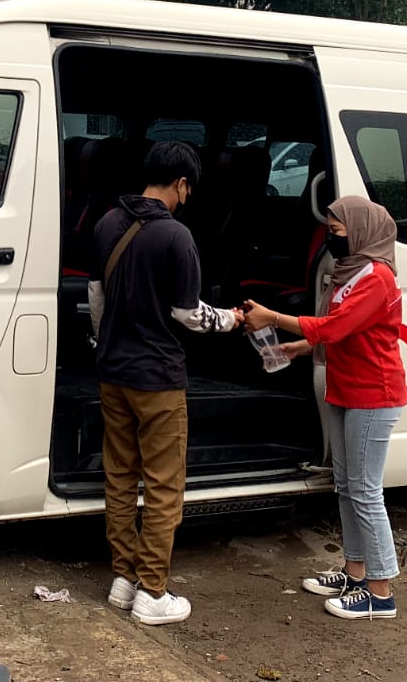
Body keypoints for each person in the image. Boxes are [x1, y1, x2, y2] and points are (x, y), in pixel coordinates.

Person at [88, 141, 242, 626]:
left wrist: (104, 344)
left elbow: (97, 298)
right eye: (187, 190)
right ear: (180, 183)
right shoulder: (177, 236)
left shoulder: (106, 223)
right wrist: (231, 320)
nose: (186, 198)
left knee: (119, 479)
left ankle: (123, 580)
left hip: (113, 375)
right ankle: (153, 592)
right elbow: (189, 314)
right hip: (158, 379)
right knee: (162, 487)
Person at [241, 195, 406, 620]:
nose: (332, 241)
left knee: (366, 491)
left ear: (362, 231)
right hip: (345, 387)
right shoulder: (350, 272)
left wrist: (273, 318)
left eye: (337, 232)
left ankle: (381, 591)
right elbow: (340, 334)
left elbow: (337, 326)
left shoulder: (377, 277)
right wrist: (299, 347)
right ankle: (355, 573)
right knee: (347, 486)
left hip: (374, 393)